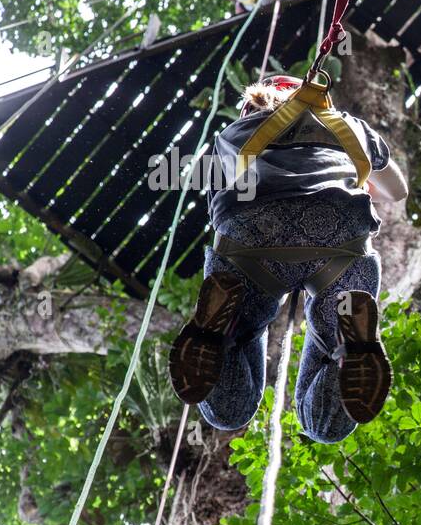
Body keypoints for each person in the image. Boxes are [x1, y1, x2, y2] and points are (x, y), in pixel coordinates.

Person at [168, 74, 408, 444]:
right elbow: (397, 191)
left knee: (228, 413)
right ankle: (348, 347)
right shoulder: (350, 127)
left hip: (250, 244)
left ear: (254, 102)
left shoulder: (232, 134)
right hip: (341, 241)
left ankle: (224, 331)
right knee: (324, 427)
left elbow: (215, 200)